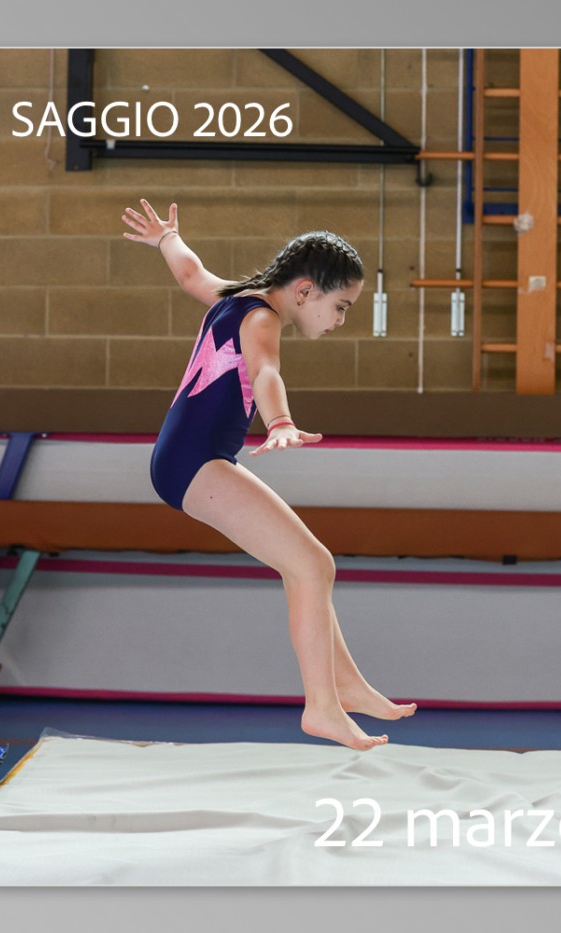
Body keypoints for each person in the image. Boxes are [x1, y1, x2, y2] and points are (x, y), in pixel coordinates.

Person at [123, 199, 416, 751]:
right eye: (341, 306)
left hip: (191, 458)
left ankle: (345, 685)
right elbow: (264, 372)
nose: (340, 320)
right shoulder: (261, 317)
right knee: (311, 566)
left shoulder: (235, 297)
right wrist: (279, 421)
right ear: (305, 291)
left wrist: (167, 239)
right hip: (195, 461)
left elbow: (191, 275)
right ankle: (322, 706)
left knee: (309, 565)